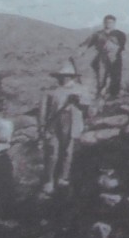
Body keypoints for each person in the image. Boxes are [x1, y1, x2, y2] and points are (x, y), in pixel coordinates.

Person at [38, 62, 91, 195]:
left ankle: (63, 177)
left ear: (71, 77)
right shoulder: (51, 91)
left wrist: (78, 102)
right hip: (55, 123)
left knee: (68, 151)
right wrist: (42, 126)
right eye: (61, 76)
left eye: (66, 76)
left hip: (73, 122)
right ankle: (49, 180)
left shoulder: (81, 90)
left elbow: (87, 109)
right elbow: (43, 110)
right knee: (52, 152)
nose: (63, 79)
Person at [78, 14, 127, 98]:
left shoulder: (120, 34)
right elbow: (87, 43)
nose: (108, 24)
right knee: (101, 76)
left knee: (116, 77)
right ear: (104, 23)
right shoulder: (98, 34)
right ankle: (99, 94)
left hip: (115, 57)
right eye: (107, 22)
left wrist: (113, 46)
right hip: (102, 58)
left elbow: (122, 46)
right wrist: (81, 50)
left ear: (114, 23)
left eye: (111, 22)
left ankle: (114, 95)